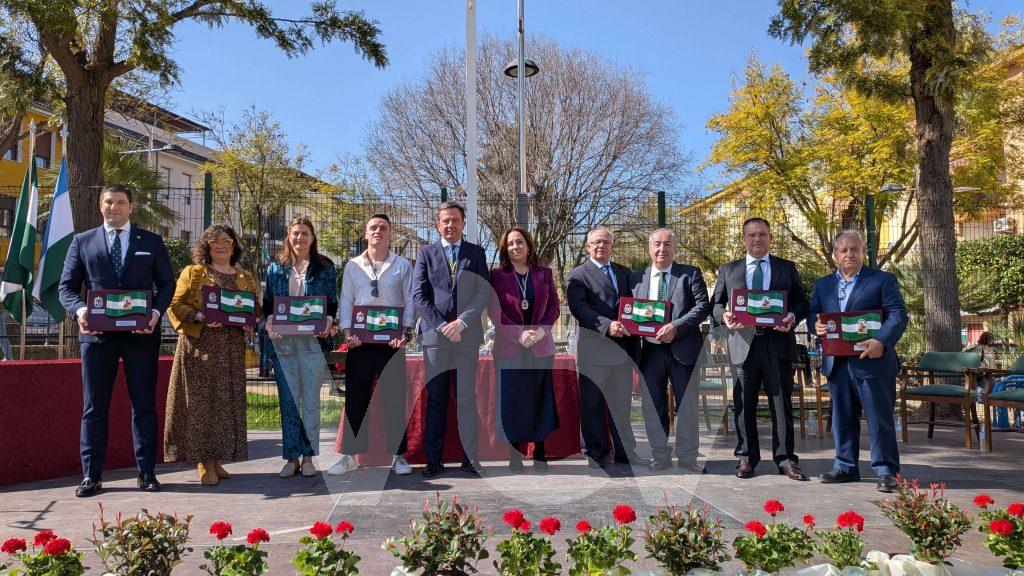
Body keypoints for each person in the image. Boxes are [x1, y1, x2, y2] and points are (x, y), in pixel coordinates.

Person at [58, 184, 174, 497]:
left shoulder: (151, 241)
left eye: (120, 202)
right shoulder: (82, 241)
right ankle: (91, 476)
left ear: (130, 207)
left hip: (141, 336)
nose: (114, 208)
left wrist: (155, 313)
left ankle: (146, 473)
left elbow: (166, 284)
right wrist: (81, 311)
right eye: (109, 202)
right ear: (101, 206)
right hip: (97, 338)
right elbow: (66, 288)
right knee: (94, 407)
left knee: (144, 405)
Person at [809, 230, 908, 492]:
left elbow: (898, 315)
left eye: (854, 249)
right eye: (843, 250)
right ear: (835, 254)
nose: (849, 254)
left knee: (879, 419)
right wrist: (815, 327)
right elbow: (813, 315)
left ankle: (886, 471)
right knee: (842, 418)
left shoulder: (882, 280)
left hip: (873, 361)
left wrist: (881, 341)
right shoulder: (823, 285)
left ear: (863, 251)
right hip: (837, 363)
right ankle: (845, 467)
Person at [710, 217, 809, 481]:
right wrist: (724, 316)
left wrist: (792, 316)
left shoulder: (786, 268)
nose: (757, 239)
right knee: (744, 405)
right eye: (752, 235)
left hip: (777, 344)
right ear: (744, 239)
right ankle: (746, 458)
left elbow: (802, 302)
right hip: (743, 346)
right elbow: (715, 305)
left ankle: (786, 459)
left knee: (781, 405)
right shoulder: (728, 270)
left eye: (762, 234)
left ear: (770, 238)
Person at [163, 225, 255, 486]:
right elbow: (175, 305)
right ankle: (203, 461)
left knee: (225, 404)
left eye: (227, 241)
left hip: (230, 349)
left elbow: (253, 308)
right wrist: (199, 316)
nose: (221, 246)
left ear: (234, 246)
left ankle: (216, 459)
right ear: (207, 245)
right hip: (199, 347)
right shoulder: (193, 272)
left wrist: (252, 320)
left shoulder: (244, 276)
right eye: (215, 241)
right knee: (200, 404)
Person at [328, 213, 415, 477]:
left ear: (390, 234)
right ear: (366, 233)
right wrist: (348, 332)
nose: (378, 231)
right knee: (356, 399)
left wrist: (405, 332)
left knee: (395, 400)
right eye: (373, 228)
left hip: (392, 343)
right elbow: (346, 301)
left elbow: (410, 300)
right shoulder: (352, 266)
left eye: (383, 228)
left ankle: (399, 456)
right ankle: (350, 457)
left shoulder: (402, 265)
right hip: (359, 342)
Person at [413, 202, 490, 477]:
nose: (450, 225)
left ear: (463, 223)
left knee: (466, 398)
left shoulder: (476, 253)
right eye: (445, 221)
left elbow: (483, 292)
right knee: (436, 399)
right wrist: (442, 325)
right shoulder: (425, 253)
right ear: (438, 224)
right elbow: (419, 295)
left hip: (466, 337)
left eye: (455, 220)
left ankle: (470, 459)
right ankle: (434, 460)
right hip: (436, 338)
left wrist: (462, 322)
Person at [263, 216, 339, 478]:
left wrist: (327, 321)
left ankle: (308, 457)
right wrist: (270, 322)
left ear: (312, 238)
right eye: (295, 233)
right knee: (288, 401)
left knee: (310, 401)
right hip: (284, 345)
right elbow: (268, 303)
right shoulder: (276, 268)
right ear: (288, 236)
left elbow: (332, 303)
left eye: (305, 233)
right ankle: (291, 458)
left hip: (312, 344)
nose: (300, 238)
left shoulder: (325, 267)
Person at [629, 228, 710, 471]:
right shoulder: (635, 278)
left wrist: (675, 326)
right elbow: (628, 311)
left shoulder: (690, 274)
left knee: (687, 405)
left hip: (682, 349)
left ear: (675, 248)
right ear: (649, 248)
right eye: (657, 244)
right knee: (653, 406)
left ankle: (688, 456)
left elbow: (702, 307)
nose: (662, 249)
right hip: (649, 351)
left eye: (667, 244)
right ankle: (660, 455)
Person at [566, 227, 643, 469]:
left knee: (621, 405)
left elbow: (634, 305)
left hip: (621, 351)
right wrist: (608, 325)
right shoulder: (578, 275)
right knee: (592, 405)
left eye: (606, 242)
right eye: (597, 242)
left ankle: (625, 452)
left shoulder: (624, 272)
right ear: (588, 246)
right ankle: (595, 453)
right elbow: (579, 309)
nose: (601, 246)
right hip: (593, 351)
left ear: (612, 246)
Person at [488, 227, 560, 473]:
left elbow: (554, 307)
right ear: (505, 249)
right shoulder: (497, 276)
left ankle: (539, 452)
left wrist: (541, 331)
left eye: (519, 242)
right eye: (510, 244)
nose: (515, 247)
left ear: (529, 246)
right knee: (513, 402)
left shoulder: (544, 274)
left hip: (540, 347)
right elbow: (495, 312)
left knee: (539, 399)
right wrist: (518, 334)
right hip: (509, 348)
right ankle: (515, 455)